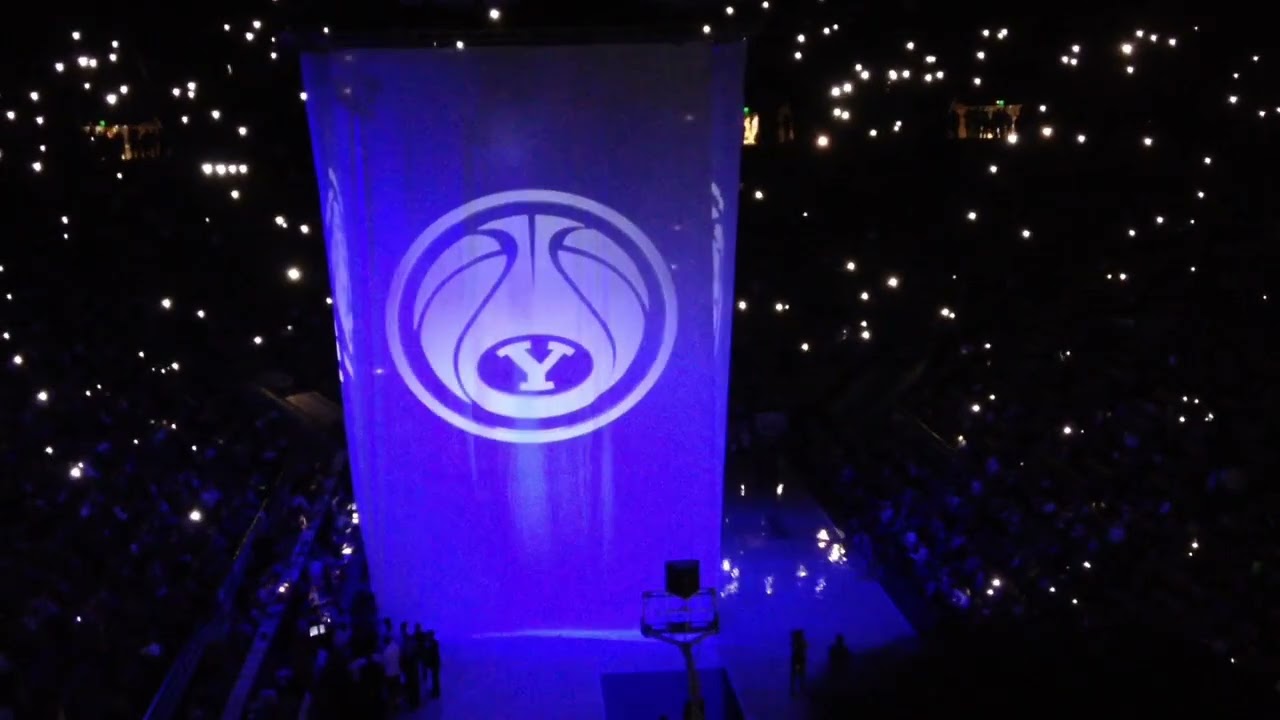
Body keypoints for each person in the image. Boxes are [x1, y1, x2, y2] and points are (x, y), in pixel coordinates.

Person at [789, 629, 807, 696]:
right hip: (798, 661)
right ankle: (798, 688)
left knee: (797, 674)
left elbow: (803, 648)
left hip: (798, 661)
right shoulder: (799, 642)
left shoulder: (796, 642)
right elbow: (804, 648)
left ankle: (796, 689)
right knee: (799, 674)